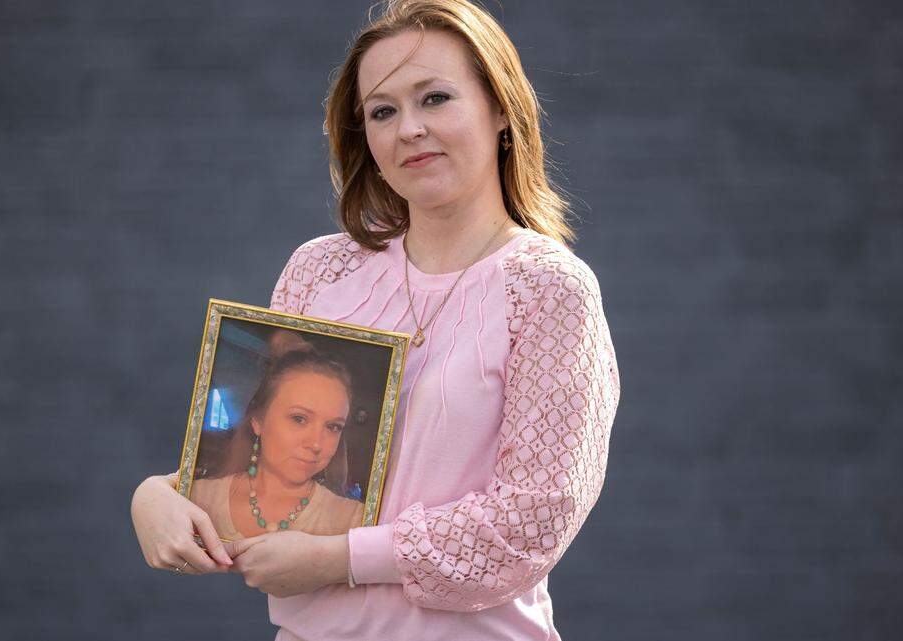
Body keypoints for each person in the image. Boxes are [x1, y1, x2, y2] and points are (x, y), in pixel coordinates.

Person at [130, 1, 621, 639]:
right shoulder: (319, 272)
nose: (409, 129)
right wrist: (158, 495)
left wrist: (341, 559)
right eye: (383, 112)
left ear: (501, 109)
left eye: (435, 98)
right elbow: (263, 453)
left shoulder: (549, 289)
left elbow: (534, 520)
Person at [189, 348, 365, 541]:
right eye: (299, 419)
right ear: (258, 421)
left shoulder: (355, 522)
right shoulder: (195, 498)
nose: (316, 444)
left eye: (333, 427)